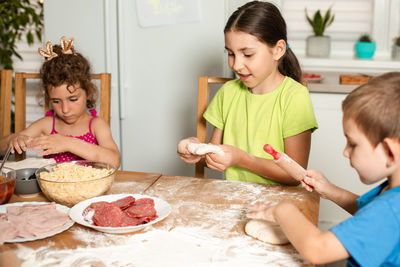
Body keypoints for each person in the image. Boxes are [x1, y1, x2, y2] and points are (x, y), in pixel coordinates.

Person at [247, 72, 400, 266]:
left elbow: (317, 250)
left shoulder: (390, 210)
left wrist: (283, 209)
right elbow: (368, 211)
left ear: (390, 152)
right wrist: (330, 191)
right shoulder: (392, 193)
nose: (345, 152)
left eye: (353, 144)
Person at [177, 1, 317, 185]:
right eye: (231, 54)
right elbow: (215, 155)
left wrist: (242, 159)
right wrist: (196, 151)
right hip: (234, 200)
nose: (236, 65)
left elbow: (295, 175)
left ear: (278, 50)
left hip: (280, 207)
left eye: (248, 54)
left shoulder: (294, 97)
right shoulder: (228, 93)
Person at [0, 37, 120, 168]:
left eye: (73, 99)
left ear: (88, 93)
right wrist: (12, 140)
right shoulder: (46, 125)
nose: (65, 109)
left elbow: (114, 160)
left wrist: (68, 143)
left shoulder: (96, 125)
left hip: (89, 188)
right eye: (56, 101)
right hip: (52, 188)